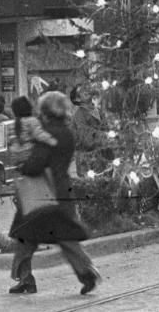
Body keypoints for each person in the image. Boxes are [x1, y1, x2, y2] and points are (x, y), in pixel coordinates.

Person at [8, 92, 99, 295]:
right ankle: (86, 271)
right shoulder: (67, 132)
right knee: (65, 236)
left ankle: (25, 279)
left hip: (40, 191)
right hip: (62, 188)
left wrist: (23, 167)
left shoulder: (46, 133)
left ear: (46, 111)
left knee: (25, 237)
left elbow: (36, 163)